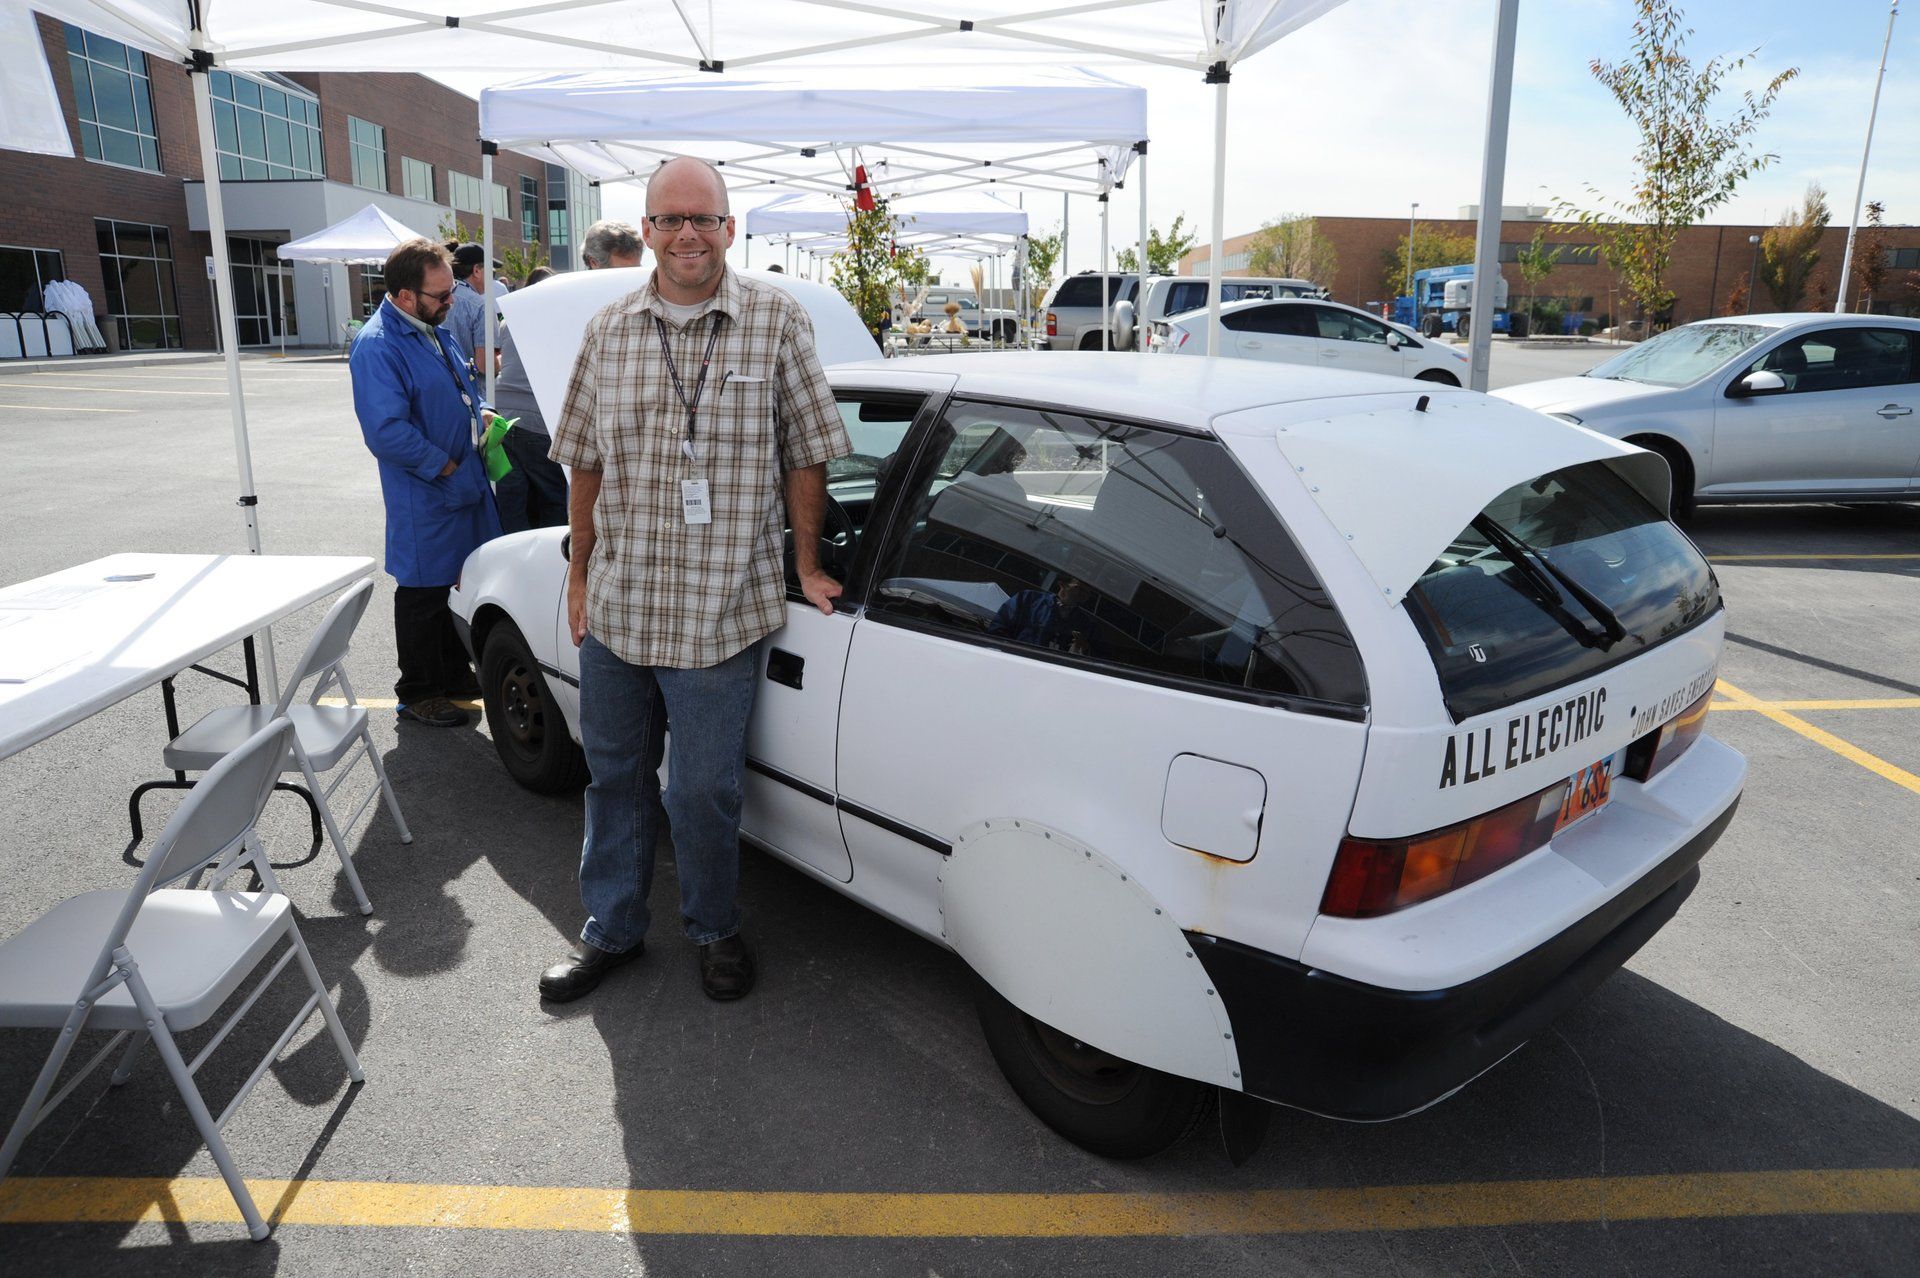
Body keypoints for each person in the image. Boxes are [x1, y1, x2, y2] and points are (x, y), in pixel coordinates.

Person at [539, 156, 849, 1004]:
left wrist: (806, 564)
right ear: (646, 230)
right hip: (621, 605)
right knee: (614, 779)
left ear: (728, 229)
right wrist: (580, 574)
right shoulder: (608, 331)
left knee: (704, 791)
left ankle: (714, 928)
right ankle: (612, 929)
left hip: (720, 610)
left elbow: (809, 452)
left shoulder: (776, 321)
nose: (687, 234)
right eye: (670, 219)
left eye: (702, 218)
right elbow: (584, 461)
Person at [349, 238, 502, 728]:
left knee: (455, 584)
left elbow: (463, 388)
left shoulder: (431, 328)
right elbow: (386, 432)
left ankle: (453, 675)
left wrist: (482, 413)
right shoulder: (379, 345)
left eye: (451, 290)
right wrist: (446, 467)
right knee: (423, 593)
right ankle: (418, 691)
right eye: (441, 295)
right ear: (405, 295)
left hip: (459, 483)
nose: (452, 301)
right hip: (427, 491)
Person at [493, 222, 644, 533]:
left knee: (519, 511)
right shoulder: (583, 306)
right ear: (593, 263)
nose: (630, 283)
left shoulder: (545, 297)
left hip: (512, 419)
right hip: (541, 425)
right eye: (621, 272)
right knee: (553, 515)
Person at [446, 243, 496, 371]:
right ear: (476, 271)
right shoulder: (480, 306)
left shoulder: (438, 296)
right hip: (470, 382)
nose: (491, 278)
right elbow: (485, 365)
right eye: (490, 271)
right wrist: (501, 361)